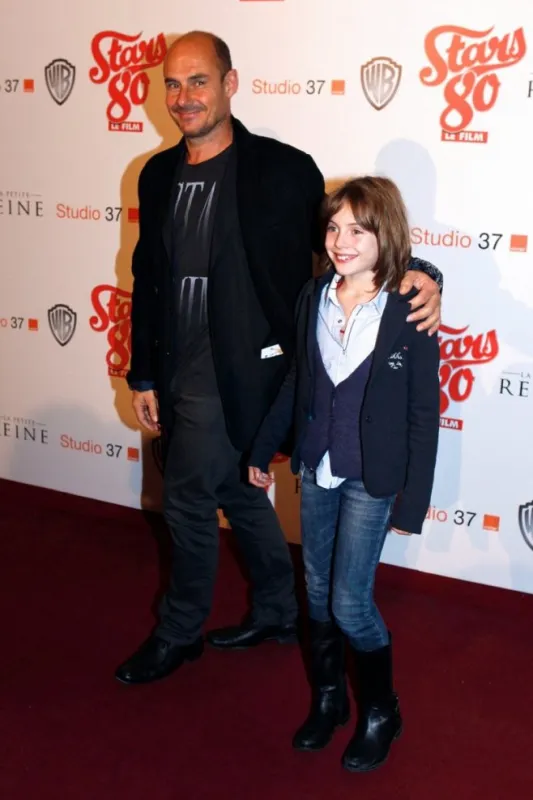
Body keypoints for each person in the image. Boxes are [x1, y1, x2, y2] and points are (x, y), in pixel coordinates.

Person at [115, 30, 443, 686]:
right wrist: (143, 371)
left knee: (184, 499)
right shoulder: (154, 174)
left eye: (198, 81)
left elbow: (350, 248)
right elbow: (147, 274)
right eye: (173, 84)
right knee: (240, 488)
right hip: (176, 363)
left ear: (230, 84)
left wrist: (425, 273)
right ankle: (274, 608)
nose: (184, 98)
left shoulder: (281, 168)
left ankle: (179, 631)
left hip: (248, 365)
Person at [248, 177, 441, 771]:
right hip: (317, 468)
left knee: (352, 601)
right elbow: (298, 382)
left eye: (357, 229)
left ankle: (382, 709)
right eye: (334, 227)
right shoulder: (314, 297)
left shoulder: (411, 307)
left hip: (371, 479)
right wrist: (263, 448)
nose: (341, 240)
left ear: (385, 234)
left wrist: (412, 505)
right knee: (318, 594)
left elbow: (422, 414)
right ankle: (330, 698)